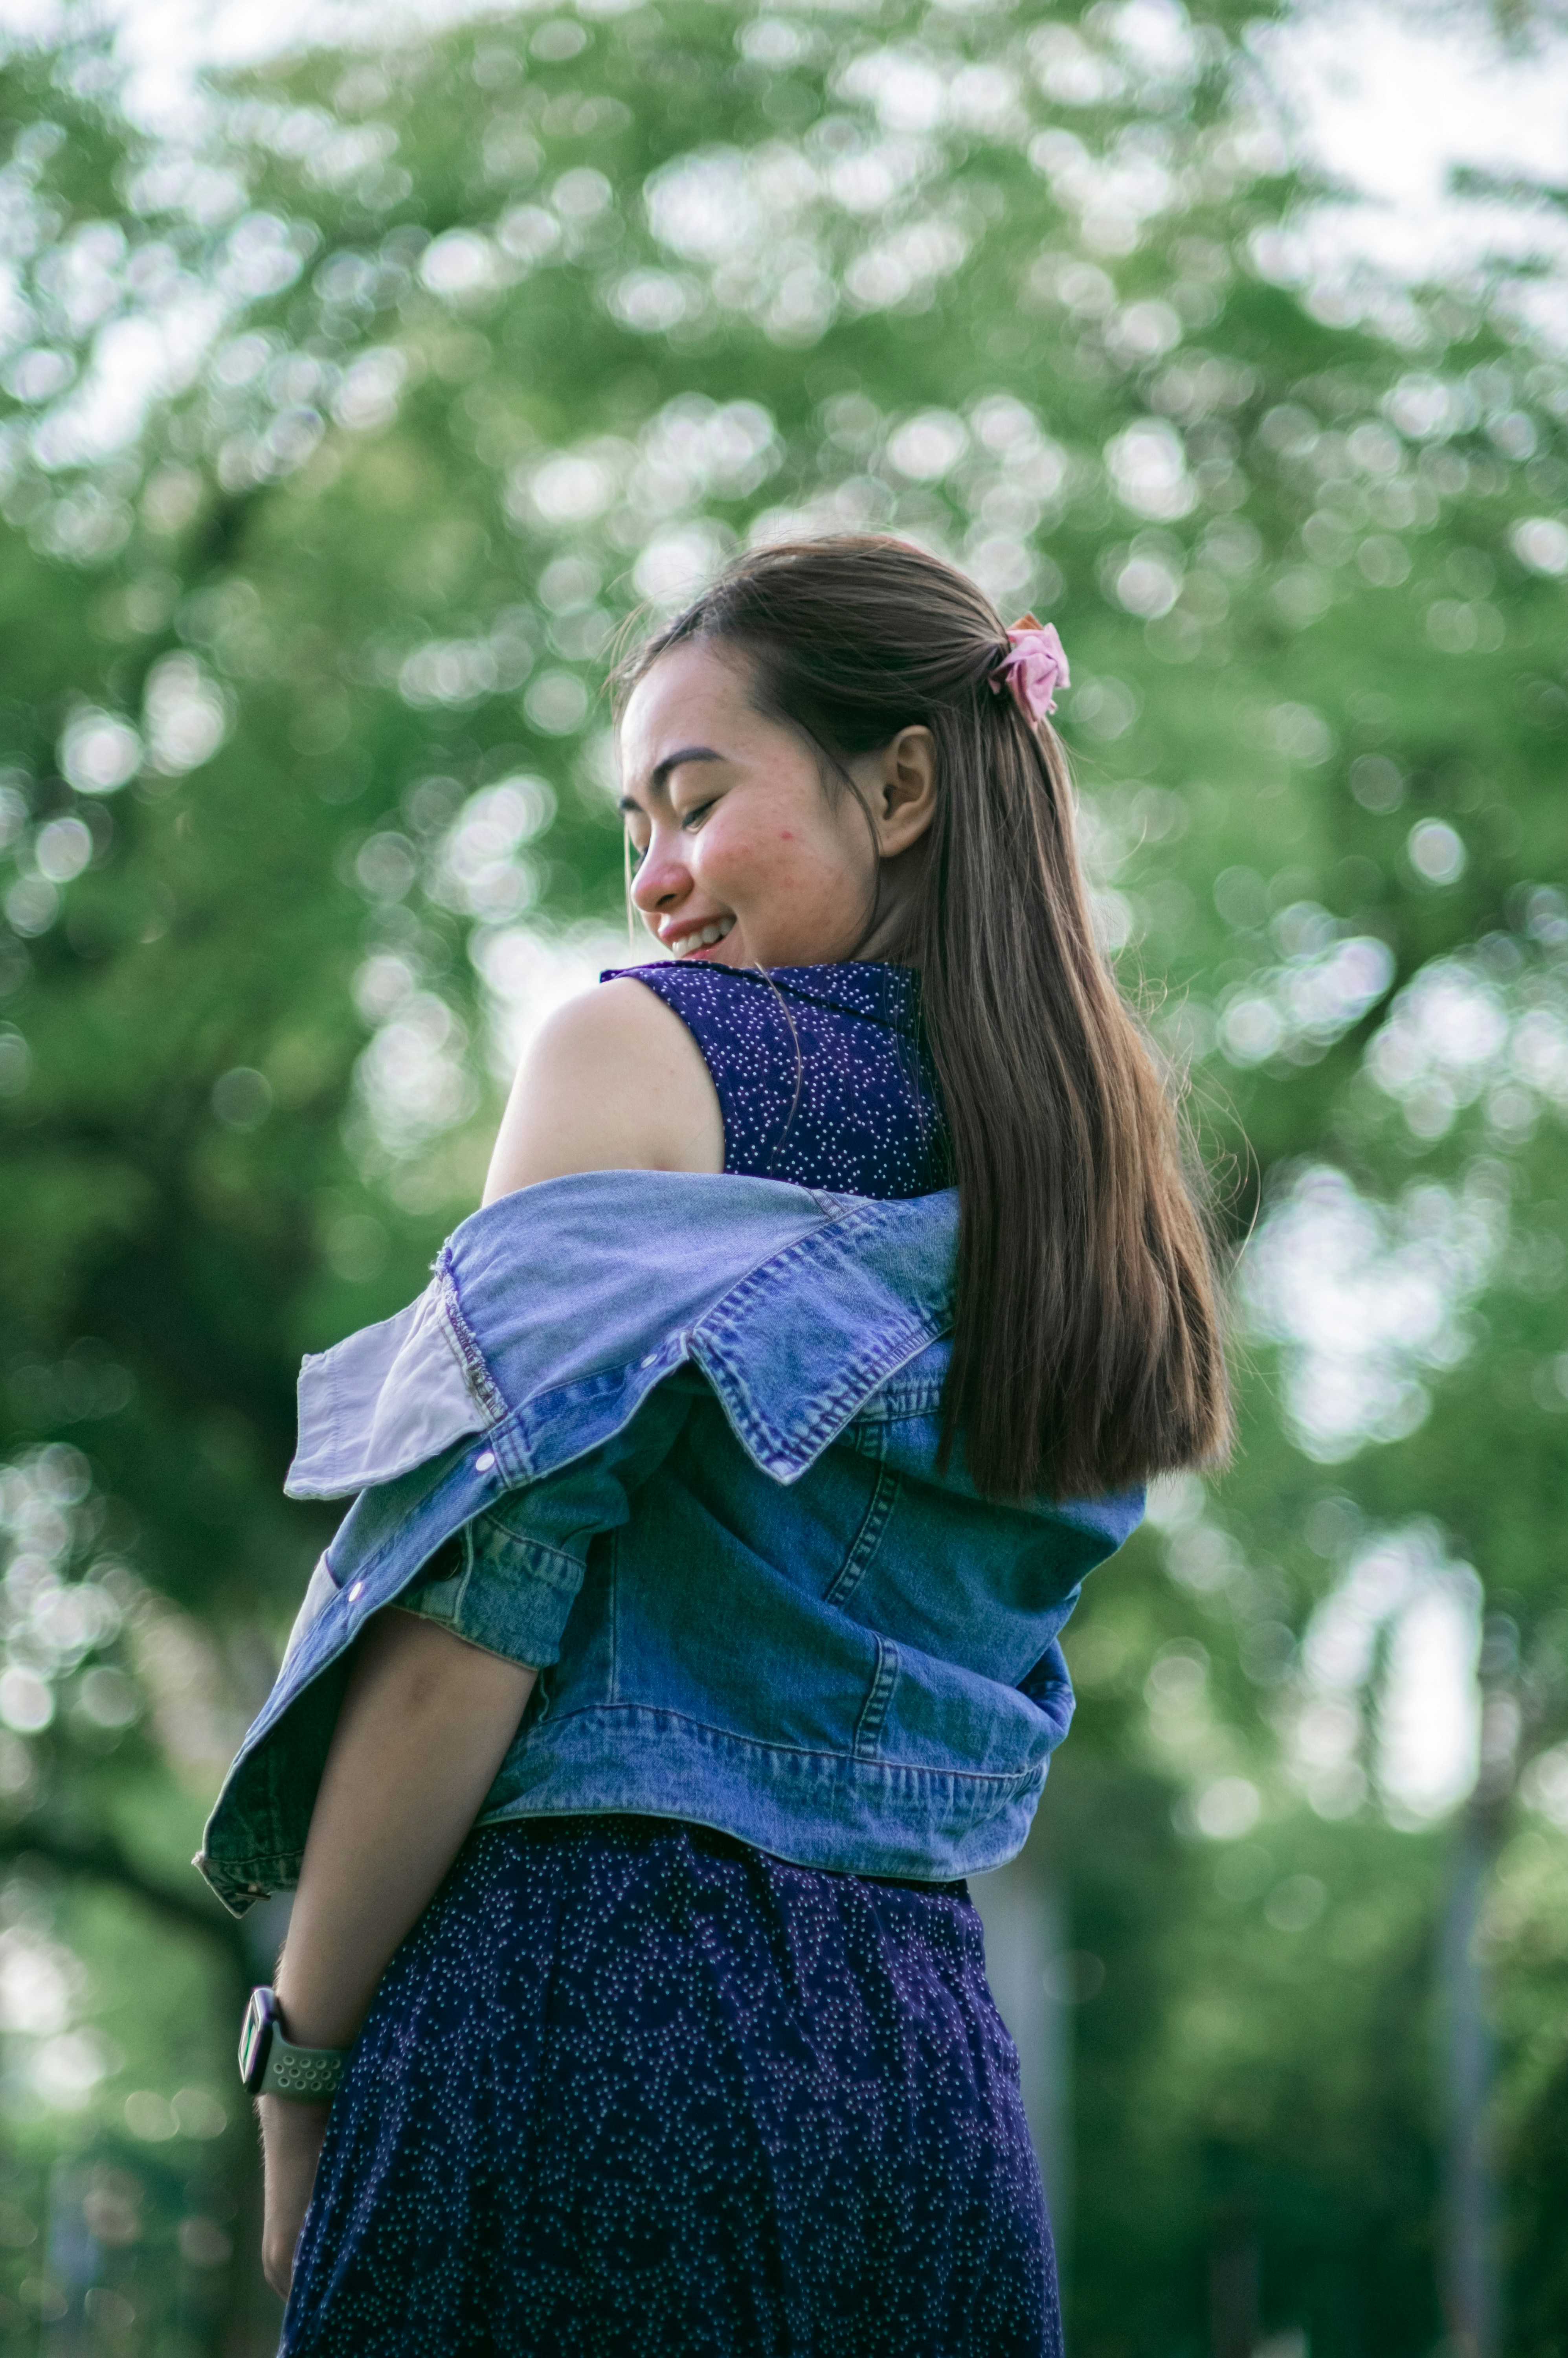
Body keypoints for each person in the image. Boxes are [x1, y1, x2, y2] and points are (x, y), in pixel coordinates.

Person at [199, 534, 1230, 2356]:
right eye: (634, 827)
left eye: (693, 801)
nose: (654, 877)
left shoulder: (636, 1059)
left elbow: (467, 1619)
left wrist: (305, 2056)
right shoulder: (1091, 1192)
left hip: (585, 2015)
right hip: (927, 2086)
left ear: (900, 788)